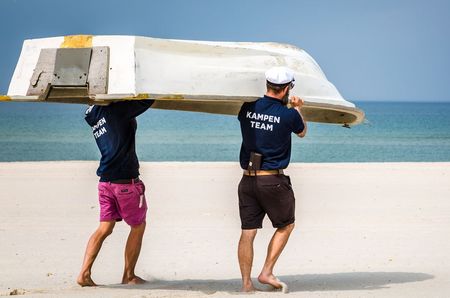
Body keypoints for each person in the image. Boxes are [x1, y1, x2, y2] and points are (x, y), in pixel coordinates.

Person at [237, 66, 307, 292]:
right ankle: (266, 272)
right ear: (287, 88)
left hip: (247, 180)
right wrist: (297, 108)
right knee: (286, 225)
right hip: (272, 181)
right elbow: (302, 131)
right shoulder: (288, 115)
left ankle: (246, 285)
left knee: (248, 232)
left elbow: (259, 120)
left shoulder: (247, 108)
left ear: (267, 84)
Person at [77, 99, 154, 287]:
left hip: (105, 182)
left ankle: (84, 274)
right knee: (138, 226)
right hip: (125, 182)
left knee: (104, 228)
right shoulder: (116, 110)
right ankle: (129, 276)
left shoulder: (93, 113)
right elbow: (148, 99)